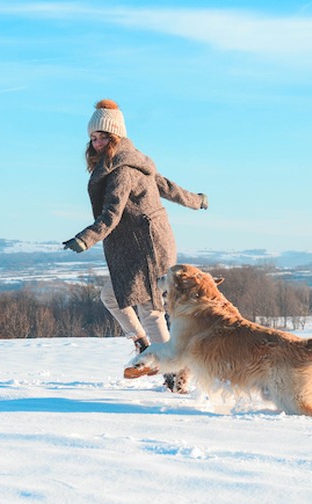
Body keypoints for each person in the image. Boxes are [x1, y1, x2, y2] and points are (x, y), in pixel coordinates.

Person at [63, 99, 208, 392]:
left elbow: (111, 214)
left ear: (116, 136)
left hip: (147, 244)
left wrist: (85, 238)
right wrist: (196, 200)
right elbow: (168, 187)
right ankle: (144, 346)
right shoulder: (127, 162)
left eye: (102, 136)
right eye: (92, 137)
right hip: (138, 242)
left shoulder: (122, 170)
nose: (96, 142)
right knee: (112, 296)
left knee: (149, 306)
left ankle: (174, 373)